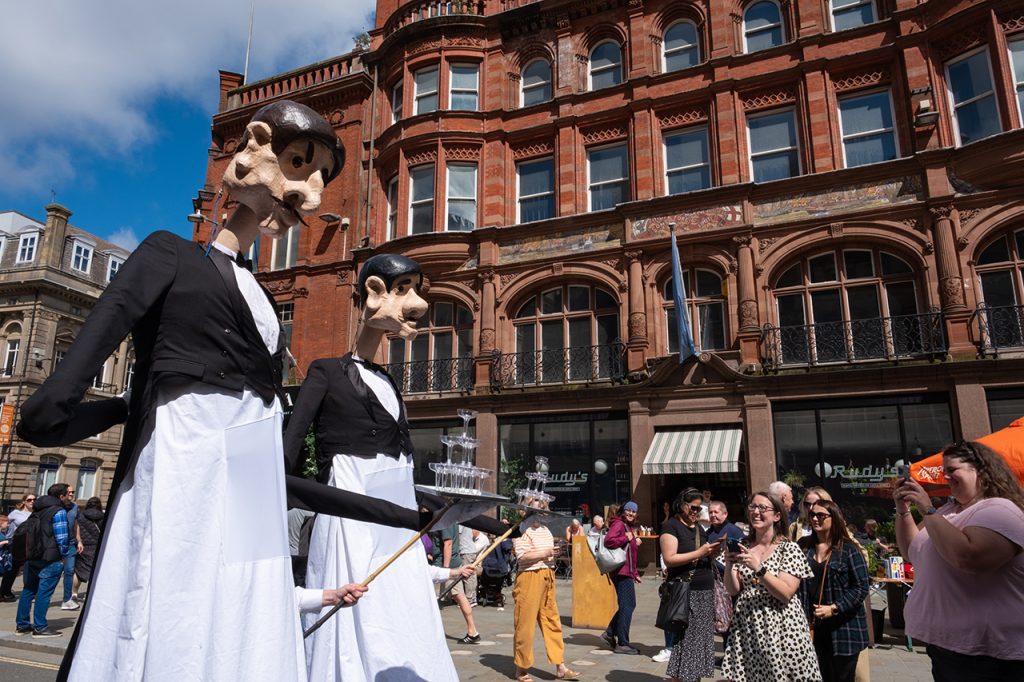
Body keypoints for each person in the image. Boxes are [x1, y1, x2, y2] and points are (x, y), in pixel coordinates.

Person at [16, 99, 456, 682]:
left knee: (254, 612)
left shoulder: (263, 298)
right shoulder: (171, 254)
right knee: (177, 606)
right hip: (186, 460)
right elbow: (71, 378)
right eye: (299, 165)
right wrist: (106, 408)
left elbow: (274, 482)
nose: (311, 197)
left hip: (242, 467)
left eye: (321, 179)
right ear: (254, 147)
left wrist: (401, 514)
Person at [284, 251, 467, 681]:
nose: (417, 303)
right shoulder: (326, 371)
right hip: (351, 508)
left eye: (416, 290)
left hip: (397, 511)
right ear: (373, 293)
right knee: (357, 604)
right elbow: (289, 446)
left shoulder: (387, 380)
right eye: (403, 290)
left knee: (402, 599)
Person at [895, 440, 1024, 681]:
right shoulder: (948, 512)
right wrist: (903, 511)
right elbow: (910, 550)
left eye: (952, 470)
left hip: (989, 655)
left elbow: (969, 557)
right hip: (949, 648)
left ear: (981, 470)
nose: (946, 477)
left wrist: (926, 508)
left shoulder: (1000, 509)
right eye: (944, 471)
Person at [722, 491, 821, 682]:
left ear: (777, 516)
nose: (756, 512)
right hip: (749, 627)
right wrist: (728, 565)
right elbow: (733, 590)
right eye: (752, 507)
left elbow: (785, 593)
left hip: (782, 627)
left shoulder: (789, 548)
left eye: (762, 508)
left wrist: (758, 568)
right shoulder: (744, 545)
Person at [798, 499, 870, 682]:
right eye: (812, 515)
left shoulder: (849, 550)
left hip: (844, 629)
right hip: (812, 625)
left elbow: (861, 587)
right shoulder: (803, 547)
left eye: (821, 515)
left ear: (834, 518)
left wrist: (835, 608)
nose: (815, 519)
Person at [658, 488, 723, 681]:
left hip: (705, 592)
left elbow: (702, 556)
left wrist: (713, 553)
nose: (696, 512)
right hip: (687, 593)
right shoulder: (671, 526)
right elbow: (669, 559)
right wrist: (700, 553)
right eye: (693, 507)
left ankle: (692, 678)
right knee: (687, 643)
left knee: (699, 643)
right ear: (682, 504)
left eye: (699, 508)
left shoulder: (698, 528)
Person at [512, 501, 580, 682]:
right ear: (526, 510)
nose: (542, 511)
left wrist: (554, 553)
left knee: (552, 620)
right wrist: (547, 552)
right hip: (529, 577)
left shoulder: (545, 530)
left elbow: (547, 552)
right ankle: (521, 669)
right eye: (537, 508)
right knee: (525, 624)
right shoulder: (521, 529)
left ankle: (560, 666)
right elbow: (522, 557)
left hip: (547, 575)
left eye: (542, 508)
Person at [15, 488, 71, 637]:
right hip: (50, 558)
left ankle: (22, 625)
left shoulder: (37, 509)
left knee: (28, 590)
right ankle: (40, 627)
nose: (70, 496)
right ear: (61, 496)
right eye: (68, 494)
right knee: (44, 593)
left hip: (32, 556)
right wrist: (64, 556)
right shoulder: (58, 511)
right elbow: (62, 537)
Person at [602, 501, 643, 655]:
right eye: (628, 510)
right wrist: (627, 537)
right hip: (621, 572)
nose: (631, 513)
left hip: (626, 571)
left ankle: (610, 633)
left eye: (634, 511)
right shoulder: (619, 524)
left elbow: (630, 554)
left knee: (627, 605)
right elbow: (609, 541)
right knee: (628, 605)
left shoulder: (627, 526)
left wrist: (635, 573)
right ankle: (622, 643)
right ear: (623, 511)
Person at [0, 493, 34, 601]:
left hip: (31, 545)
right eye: (29, 500)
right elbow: (4, 522)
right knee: (12, 569)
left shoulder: (36, 513)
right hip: (16, 544)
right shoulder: (16, 513)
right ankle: (4, 592)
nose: (32, 502)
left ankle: (29, 592)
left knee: (29, 569)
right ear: (24, 501)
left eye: (34, 499)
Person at [73, 497, 105, 597]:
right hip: (98, 547)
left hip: (83, 546)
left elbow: (77, 530)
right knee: (96, 571)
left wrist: (79, 542)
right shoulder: (103, 517)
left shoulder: (81, 516)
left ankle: (74, 593)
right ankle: (91, 593)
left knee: (79, 571)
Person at [59, 484, 84, 609]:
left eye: (73, 492)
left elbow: (76, 524)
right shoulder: (57, 506)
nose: (71, 494)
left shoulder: (75, 507)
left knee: (69, 571)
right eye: (69, 492)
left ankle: (67, 600)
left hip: (70, 543)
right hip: (56, 543)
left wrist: (79, 540)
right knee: (52, 572)